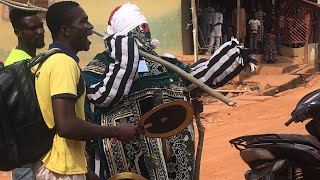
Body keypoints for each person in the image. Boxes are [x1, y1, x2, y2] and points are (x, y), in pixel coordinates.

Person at [83, 3, 256, 180]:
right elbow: (102, 97)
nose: (144, 33)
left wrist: (232, 57)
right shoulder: (100, 67)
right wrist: (125, 59)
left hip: (171, 156)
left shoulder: (165, 63)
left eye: (144, 27)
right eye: (136, 29)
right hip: (127, 158)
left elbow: (193, 80)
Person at [32, 1, 140, 180]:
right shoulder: (63, 63)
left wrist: (87, 173)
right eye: (83, 21)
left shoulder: (47, 61)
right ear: (66, 31)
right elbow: (66, 126)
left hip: (59, 164)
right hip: (61, 170)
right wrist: (116, 131)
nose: (90, 27)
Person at [5, 8, 45, 180]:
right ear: (18, 32)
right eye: (33, 28)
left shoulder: (33, 61)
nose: (40, 31)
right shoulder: (18, 64)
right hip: (28, 154)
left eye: (41, 26)